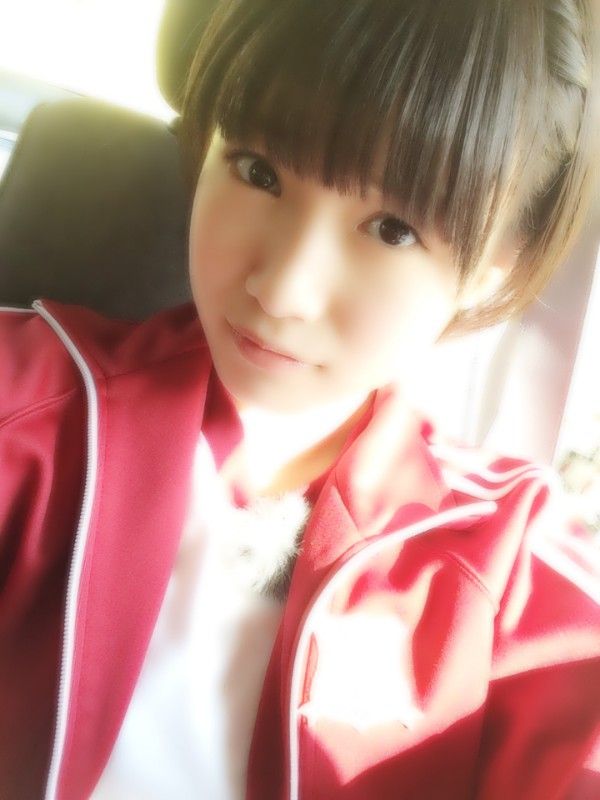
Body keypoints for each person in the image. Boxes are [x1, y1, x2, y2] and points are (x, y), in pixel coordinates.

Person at [1, 0, 599, 798]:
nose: (282, 290)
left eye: (392, 229)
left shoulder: (512, 564)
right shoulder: (27, 403)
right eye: (258, 171)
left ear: (492, 269)